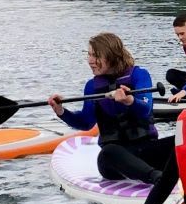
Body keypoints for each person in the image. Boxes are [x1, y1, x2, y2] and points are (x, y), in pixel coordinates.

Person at [50, 32, 170, 184]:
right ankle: (158, 178)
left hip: (145, 151)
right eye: (89, 55)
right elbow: (85, 123)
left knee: (181, 140)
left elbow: (146, 109)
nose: (90, 61)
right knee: (109, 151)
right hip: (113, 162)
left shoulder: (139, 75)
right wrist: (61, 111)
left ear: (111, 56)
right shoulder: (92, 86)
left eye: (96, 56)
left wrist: (129, 100)